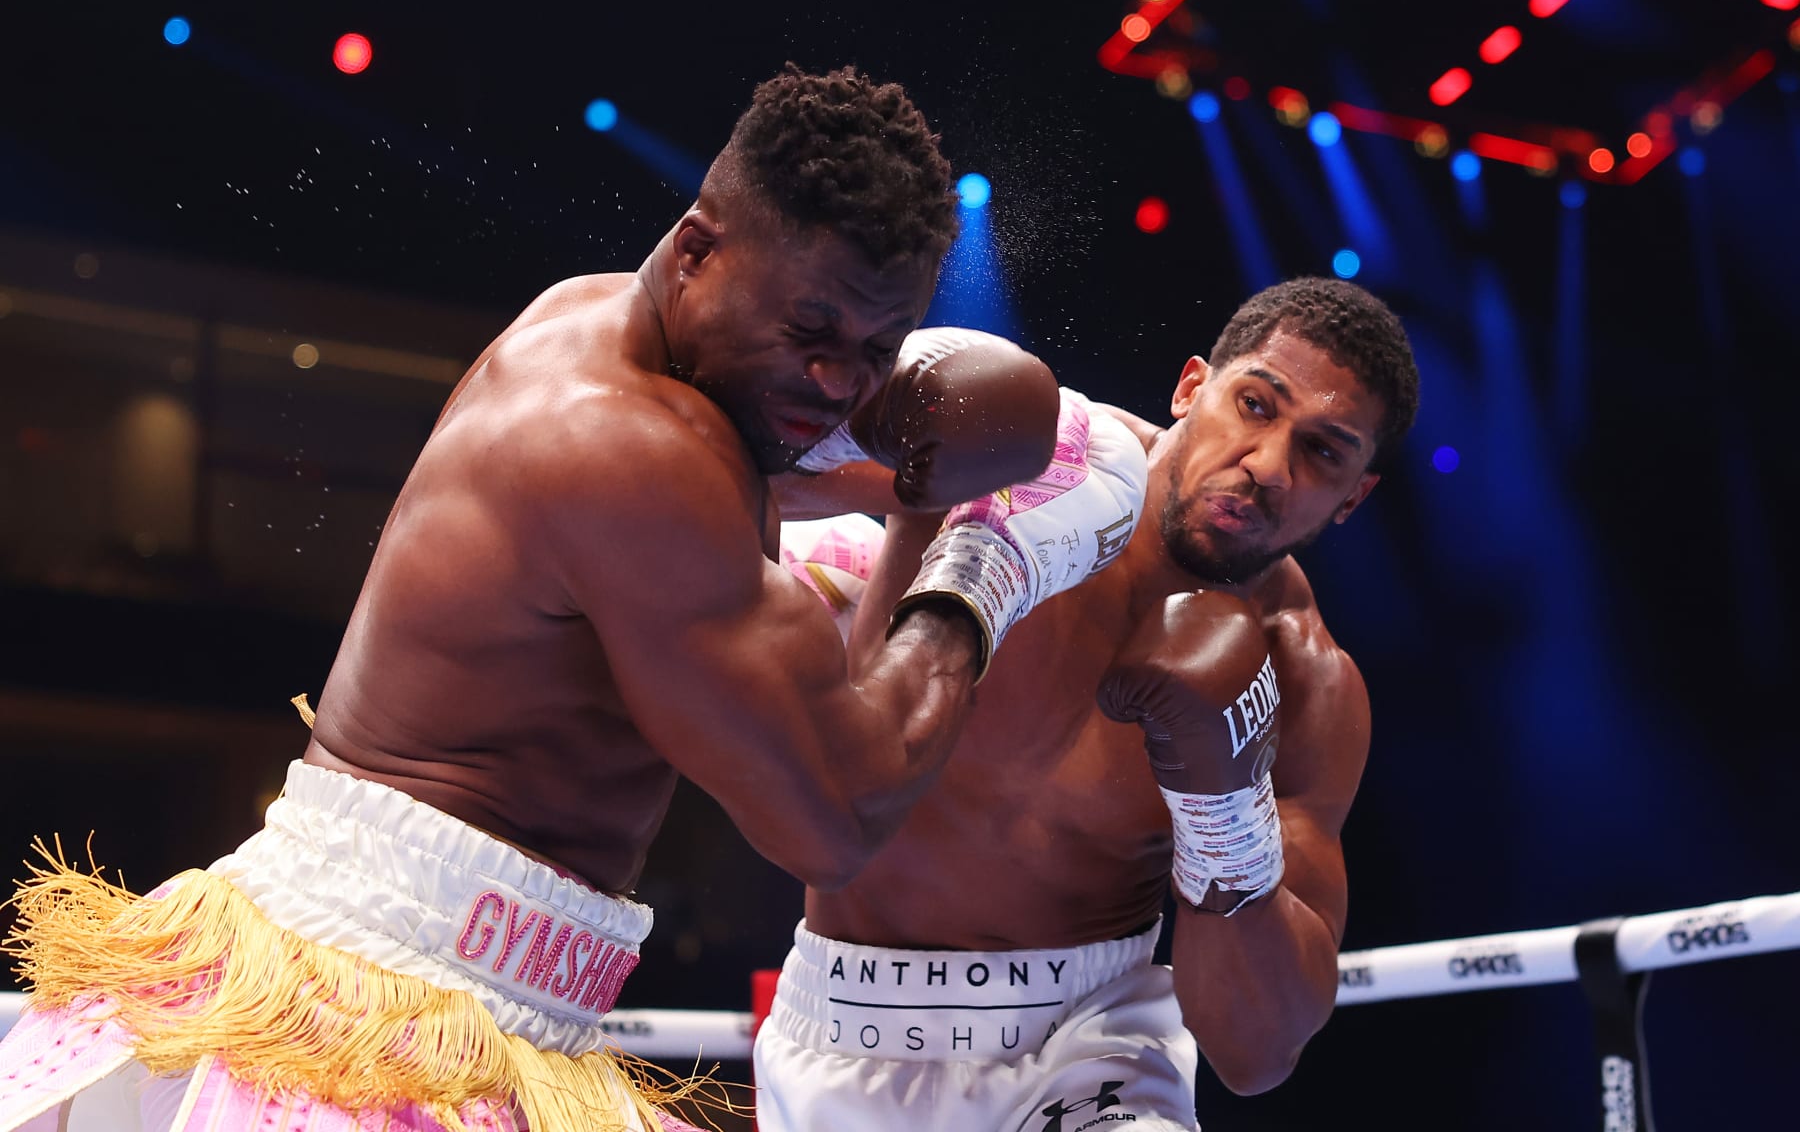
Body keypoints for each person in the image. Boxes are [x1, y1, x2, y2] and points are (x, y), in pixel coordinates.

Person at [0, 65, 1147, 1132]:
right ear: (697, 253)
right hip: (370, 1005)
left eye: (877, 345)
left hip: (477, 1003)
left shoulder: (623, 333)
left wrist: (1072, 453)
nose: (841, 381)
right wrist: (986, 570)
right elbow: (833, 818)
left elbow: (844, 457)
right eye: (811, 332)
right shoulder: (627, 450)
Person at [756, 276, 1421, 1131]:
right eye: (1255, 405)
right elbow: (739, 480)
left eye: (1324, 453)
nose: (1267, 467)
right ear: (1192, 388)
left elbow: (1257, 1051)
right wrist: (837, 573)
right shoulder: (1026, 455)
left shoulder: (1305, 682)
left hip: (1093, 1045)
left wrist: (1227, 815)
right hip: (843, 1023)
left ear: (1353, 498)